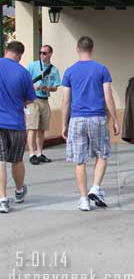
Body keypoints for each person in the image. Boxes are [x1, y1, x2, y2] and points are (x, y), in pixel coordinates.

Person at [61, 36, 119, 211]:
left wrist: (64, 124)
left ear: (77, 49)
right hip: (97, 118)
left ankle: (83, 198)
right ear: (92, 49)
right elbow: (108, 97)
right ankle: (95, 187)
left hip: (77, 118)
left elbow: (65, 101)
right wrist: (115, 119)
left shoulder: (69, 71)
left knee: (79, 160)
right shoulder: (102, 69)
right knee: (102, 154)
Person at [0, 42, 37, 213]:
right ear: (20, 55)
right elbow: (30, 99)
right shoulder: (23, 73)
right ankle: (19, 190)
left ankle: (2, 199)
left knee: (0, 162)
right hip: (16, 123)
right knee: (16, 160)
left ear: (5, 51)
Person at [26, 44, 61, 165]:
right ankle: (31, 154)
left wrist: (48, 88)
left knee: (42, 128)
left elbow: (56, 87)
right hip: (33, 100)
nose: (42, 55)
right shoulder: (32, 65)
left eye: (44, 53)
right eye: (40, 52)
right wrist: (32, 87)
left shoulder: (54, 69)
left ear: (50, 54)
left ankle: (39, 153)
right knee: (32, 127)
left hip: (45, 100)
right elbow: (24, 81)